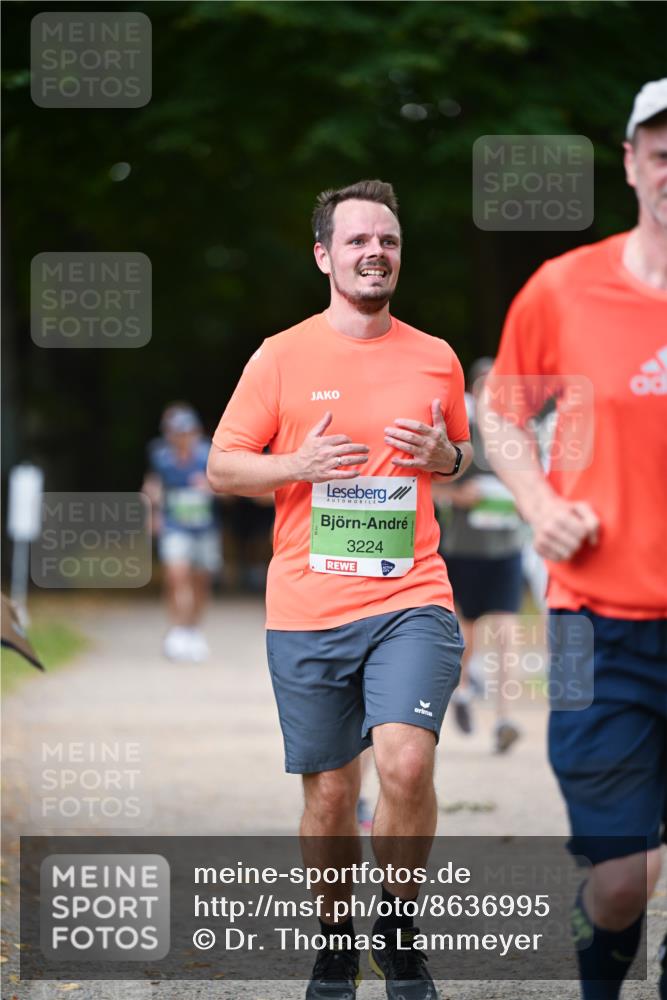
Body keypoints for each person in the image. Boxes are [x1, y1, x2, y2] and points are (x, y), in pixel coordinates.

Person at [207, 179, 472, 1000]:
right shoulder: (280, 356)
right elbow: (222, 466)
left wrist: (448, 458)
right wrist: (297, 464)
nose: (374, 253)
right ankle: (333, 940)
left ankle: (397, 930)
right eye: (357, 240)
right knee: (329, 794)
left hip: (410, 596)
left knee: (406, 762)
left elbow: (457, 459)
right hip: (308, 606)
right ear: (324, 256)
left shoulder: (435, 357)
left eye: (387, 240)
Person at [480, 80, 667, 1000]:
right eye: (662, 154)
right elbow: (503, 414)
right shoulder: (562, 288)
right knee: (622, 877)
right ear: (631, 164)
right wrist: (536, 500)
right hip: (593, 623)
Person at [434, 356, 524, 753]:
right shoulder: (460, 433)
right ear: (473, 390)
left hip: (507, 548)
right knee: (468, 633)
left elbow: (538, 483)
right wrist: (458, 496)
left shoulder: (519, 435)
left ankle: (505, 718)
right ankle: (464, 691)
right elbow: (426, 486)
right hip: (465, 549)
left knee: (507, 632)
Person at [143, 403, 221, 662]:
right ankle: (177, 630)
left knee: (201, 582)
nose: (181, 438)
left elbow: (230, 488)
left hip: (204, 528)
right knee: (176, 576)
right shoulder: (160, 456)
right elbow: (152, 485)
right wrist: (152, 511)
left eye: (186, 432)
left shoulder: (208, 455)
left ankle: (193, 630)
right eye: (176, 433)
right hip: (175, 526)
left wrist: (212, 487)